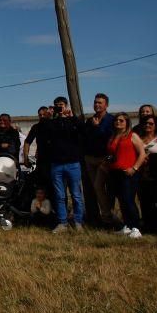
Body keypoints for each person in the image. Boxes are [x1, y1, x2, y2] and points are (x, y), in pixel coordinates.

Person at [40, 96, 86, 233]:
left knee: (76, 195)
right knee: (59, 195)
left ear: (66, 106)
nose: (59, 108)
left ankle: (78, 222)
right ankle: (62, 222)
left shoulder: (72, 121)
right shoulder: (52, 123)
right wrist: (47, 118)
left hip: (73, 163)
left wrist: (72, 117)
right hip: (57, 164)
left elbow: (83, 131)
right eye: (56, 106)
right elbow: (42, 133)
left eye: (61, 105)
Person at [105, 113, 146, 239]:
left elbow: (142, 154)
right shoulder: (113, 137)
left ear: (127, 122)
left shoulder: (132, 136)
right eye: (116, 120)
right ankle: (127, 225)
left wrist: (134, 168)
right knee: (122, 200)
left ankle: (136, 227)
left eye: (121, 120)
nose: (118, 122)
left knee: (129, 200)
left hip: (128, 172)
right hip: (114, 172)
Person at [82, 93, 115, 226]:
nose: (97, 105)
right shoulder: (90, 120)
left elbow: (110, 139)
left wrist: (98, 127)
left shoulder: (112, 120)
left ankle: (107, 217)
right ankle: (95, 217)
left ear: (106, 105)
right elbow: (86, 137)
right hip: (90, 158)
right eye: (95, 102)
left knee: (100, 187)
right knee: (93, 189)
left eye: (100, 103)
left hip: (104, 159)